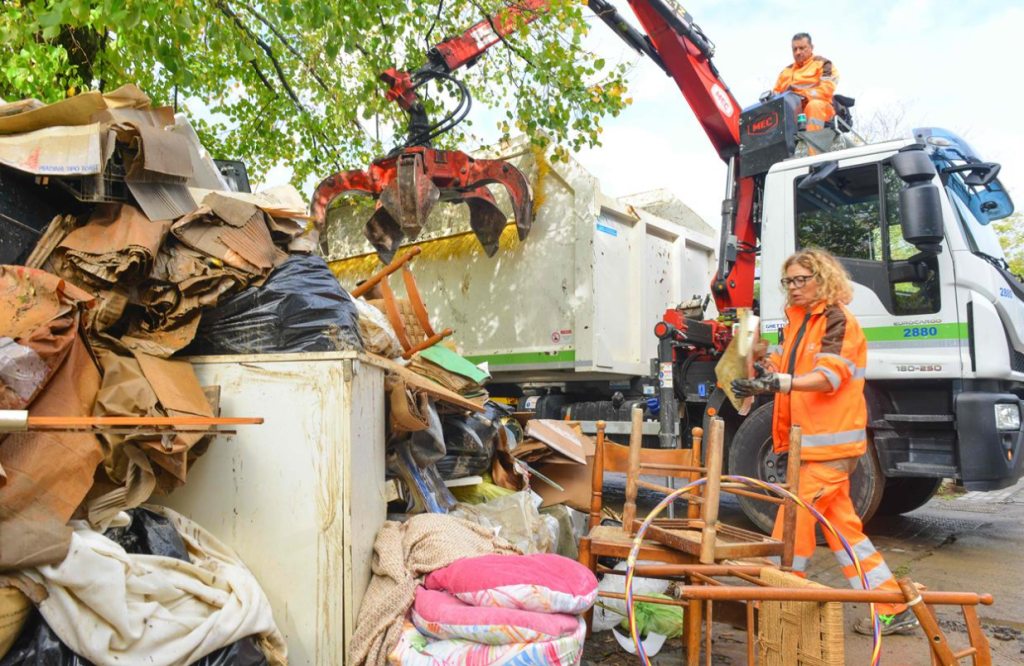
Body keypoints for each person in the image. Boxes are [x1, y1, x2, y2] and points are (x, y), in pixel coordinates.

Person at [732, 248, 920, 636]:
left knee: (791, 526)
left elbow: (829, 377)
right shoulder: (803, 323)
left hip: (829, 450)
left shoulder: (837, 321)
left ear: (823, 278)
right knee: (843, 531)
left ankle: (778, 603)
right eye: (789, 281)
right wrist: (764, 364)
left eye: (802, 279)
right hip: (816, 448)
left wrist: (779, 381)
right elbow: (791, 368)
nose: (794, 288)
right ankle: (891, 607)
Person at [773, 32, 838, 132]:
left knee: (814, 105)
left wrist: (802, 97)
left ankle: (812, 146)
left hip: (821, 109)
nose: (798, 52)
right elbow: (775, 95)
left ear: (812, 47)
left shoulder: (823, 64)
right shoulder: (785, 72)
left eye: (802, 48)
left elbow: (827, 88)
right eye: (795, 49)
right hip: (791, 114)